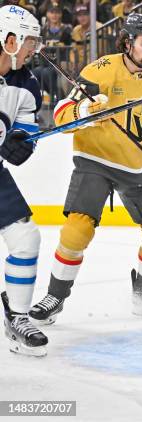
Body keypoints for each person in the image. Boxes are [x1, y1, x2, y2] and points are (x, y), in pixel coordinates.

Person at [29, 13, 142, 326]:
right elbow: (61, 115)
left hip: (137, 165)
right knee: (78, 229)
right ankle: (55, 296)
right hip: (95, 159)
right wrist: (85, 110)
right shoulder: (100, 71)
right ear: (128, 42)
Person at [0, 4, 47, 356]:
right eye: (31, 40)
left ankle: (17, 316)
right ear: (9, 38)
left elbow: (23, 134)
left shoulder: (27, 82)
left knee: (26, 239)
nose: (35, 48)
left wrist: (20, 144)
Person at [31, 3, 72, 102]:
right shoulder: (42, 29)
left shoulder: (66, 29)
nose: (54, 15)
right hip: (45, 62)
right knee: (35, 72)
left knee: (46, 73)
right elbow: (36, 44)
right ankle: (44, 98)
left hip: (60, 62)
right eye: (51, 12)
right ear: (47, 14)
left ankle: (59, 99)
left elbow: (69, 45)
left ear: (61, 14)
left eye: (57, 12)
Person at [71, 4, 103, 72]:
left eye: (85, 14)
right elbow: (73, 49)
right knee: (62, 66)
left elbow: (101, 51)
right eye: (79, 15)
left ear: (90, 15)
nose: (82, 18)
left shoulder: (99, 27)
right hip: (80, 61)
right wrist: (74, 62)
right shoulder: (76, 30)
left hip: (97, 61)